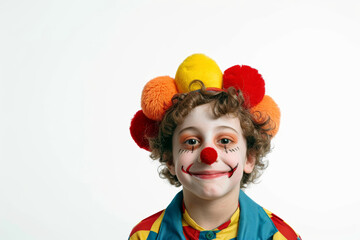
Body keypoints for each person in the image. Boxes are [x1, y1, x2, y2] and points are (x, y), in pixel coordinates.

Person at [129, 54, 301, 239]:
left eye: (225, 141)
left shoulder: (279, 236)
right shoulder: (145, 236)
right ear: (170, 158)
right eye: (191, 141)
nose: (208, 155)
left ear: (249, 158)